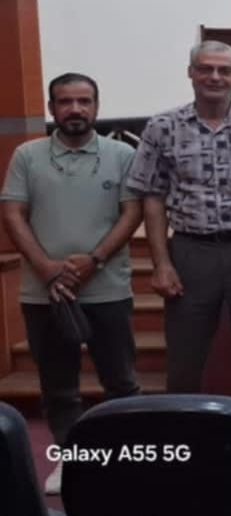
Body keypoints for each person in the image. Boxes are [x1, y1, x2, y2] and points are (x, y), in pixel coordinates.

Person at [125, 41, 231, 405]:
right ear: (190, 73)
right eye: (205, 68)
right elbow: (152, 198)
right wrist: (161, 263)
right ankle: (184, 425)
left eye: (224, 70)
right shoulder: (163, 127)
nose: (214, 77)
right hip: (191, 250)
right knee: (185, 351)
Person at [1, 73, 143, 495]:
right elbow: (12, 214)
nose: (75, 109)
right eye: (66, 102)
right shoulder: (28, 155)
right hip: (45, 293)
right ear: (52, 108)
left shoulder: (122, 154)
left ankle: (126, 456)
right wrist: (46, 268)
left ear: (97, 107)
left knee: (121, 382)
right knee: (59, 387)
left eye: (84, 101)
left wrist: (94, 260)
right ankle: (72, 457)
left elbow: (132, 212)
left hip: (107, 288)